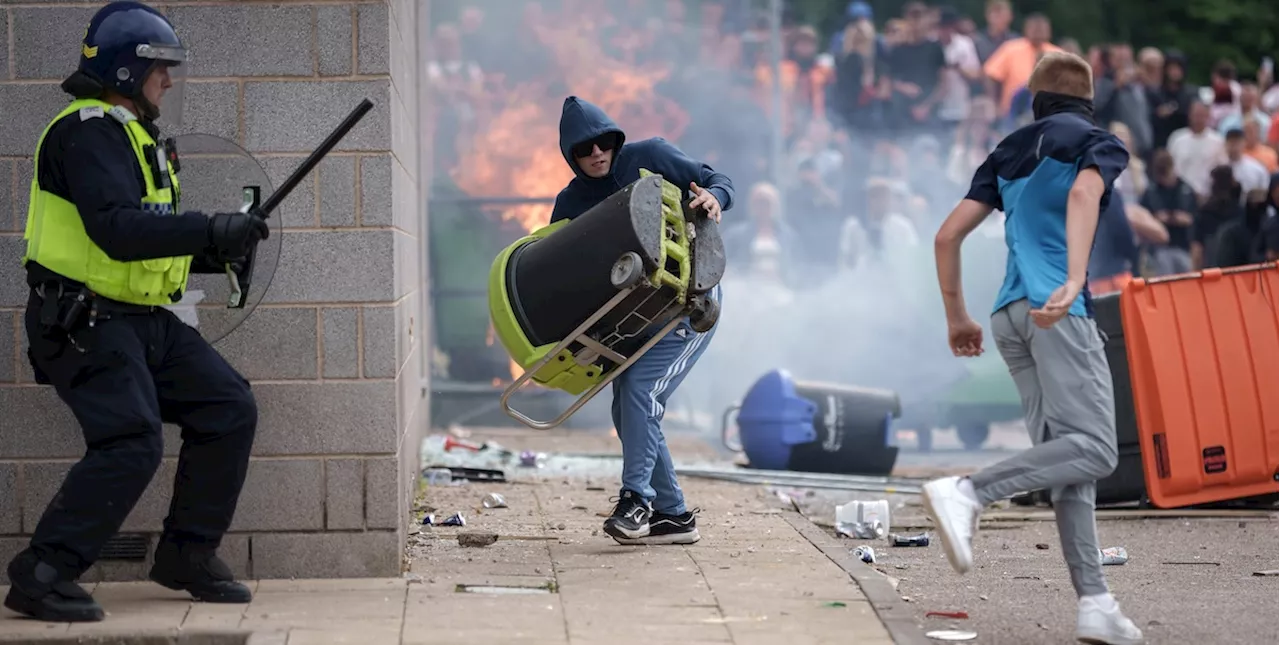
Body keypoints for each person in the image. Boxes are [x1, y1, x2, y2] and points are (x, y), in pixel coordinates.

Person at [5, 2, 267, 623]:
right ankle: (41, 573)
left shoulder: (135, 135)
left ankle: (186, 557)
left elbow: (145, 245)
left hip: (141, 318)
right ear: (126, 71)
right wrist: (209, 226)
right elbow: (118, 232)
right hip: (81, 320)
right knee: (130, 440)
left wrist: (218, 246)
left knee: (228, 407)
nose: (168, 82)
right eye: (160, 71)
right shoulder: (87, 130)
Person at [927, 52, 1144, 645]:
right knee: (1098, 449)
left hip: (1007, 316)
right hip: (1057, 309)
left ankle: (1095, 602)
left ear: (1035, 100)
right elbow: (1081, 199)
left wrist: (956, 318)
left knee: (1069, 461)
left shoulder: (1007, 150)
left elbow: (948, 235)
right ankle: (968, 492)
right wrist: (1076, 279)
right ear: (1088, 101)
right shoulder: (1101, 142)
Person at [550, 96, 733, 545]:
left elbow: (715, 179)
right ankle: (672, 516)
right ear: (571, 156)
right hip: (634, 319)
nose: (596, 154)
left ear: (615, 140)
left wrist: (714, 197)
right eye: (584, 149)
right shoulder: (570, 202)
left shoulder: (649, 156)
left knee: (640, 392)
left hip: (691, 305)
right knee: (627, 408)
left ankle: (636, 500)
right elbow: (561, 271)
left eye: (602, 144)